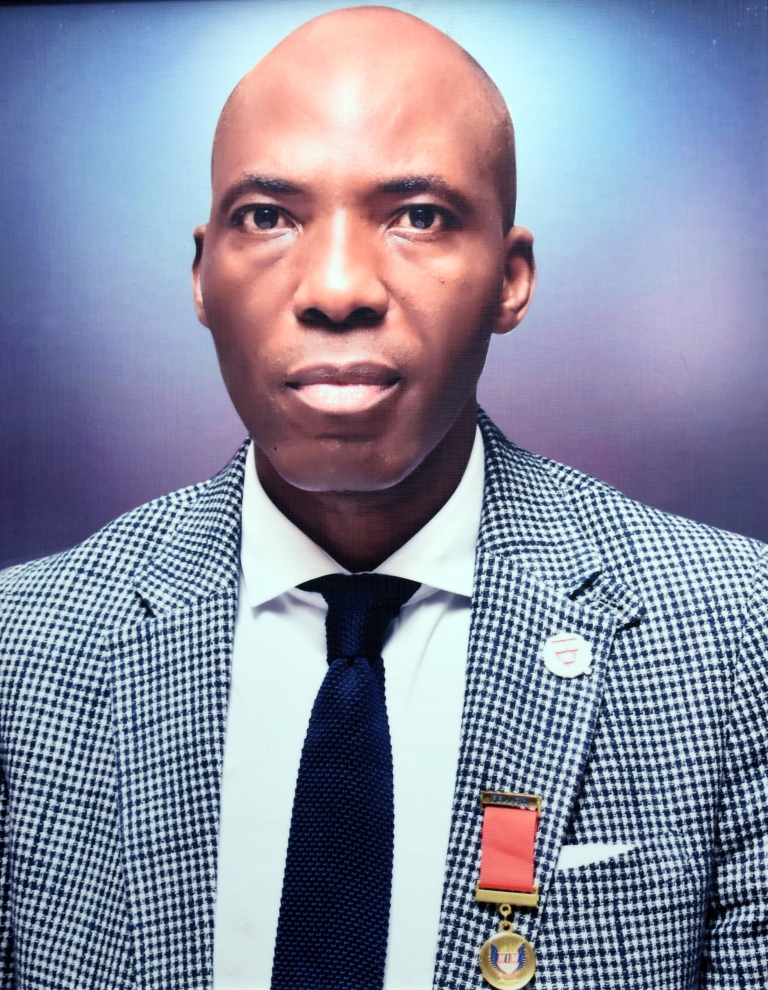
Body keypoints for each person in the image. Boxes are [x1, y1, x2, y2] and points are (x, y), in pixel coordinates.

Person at [0, 6, 766, 989]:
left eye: (419, 216)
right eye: (267, 217)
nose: (337, 288)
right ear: (201, 277)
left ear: (511, 279)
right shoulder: (24, 654)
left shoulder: (737, 638)